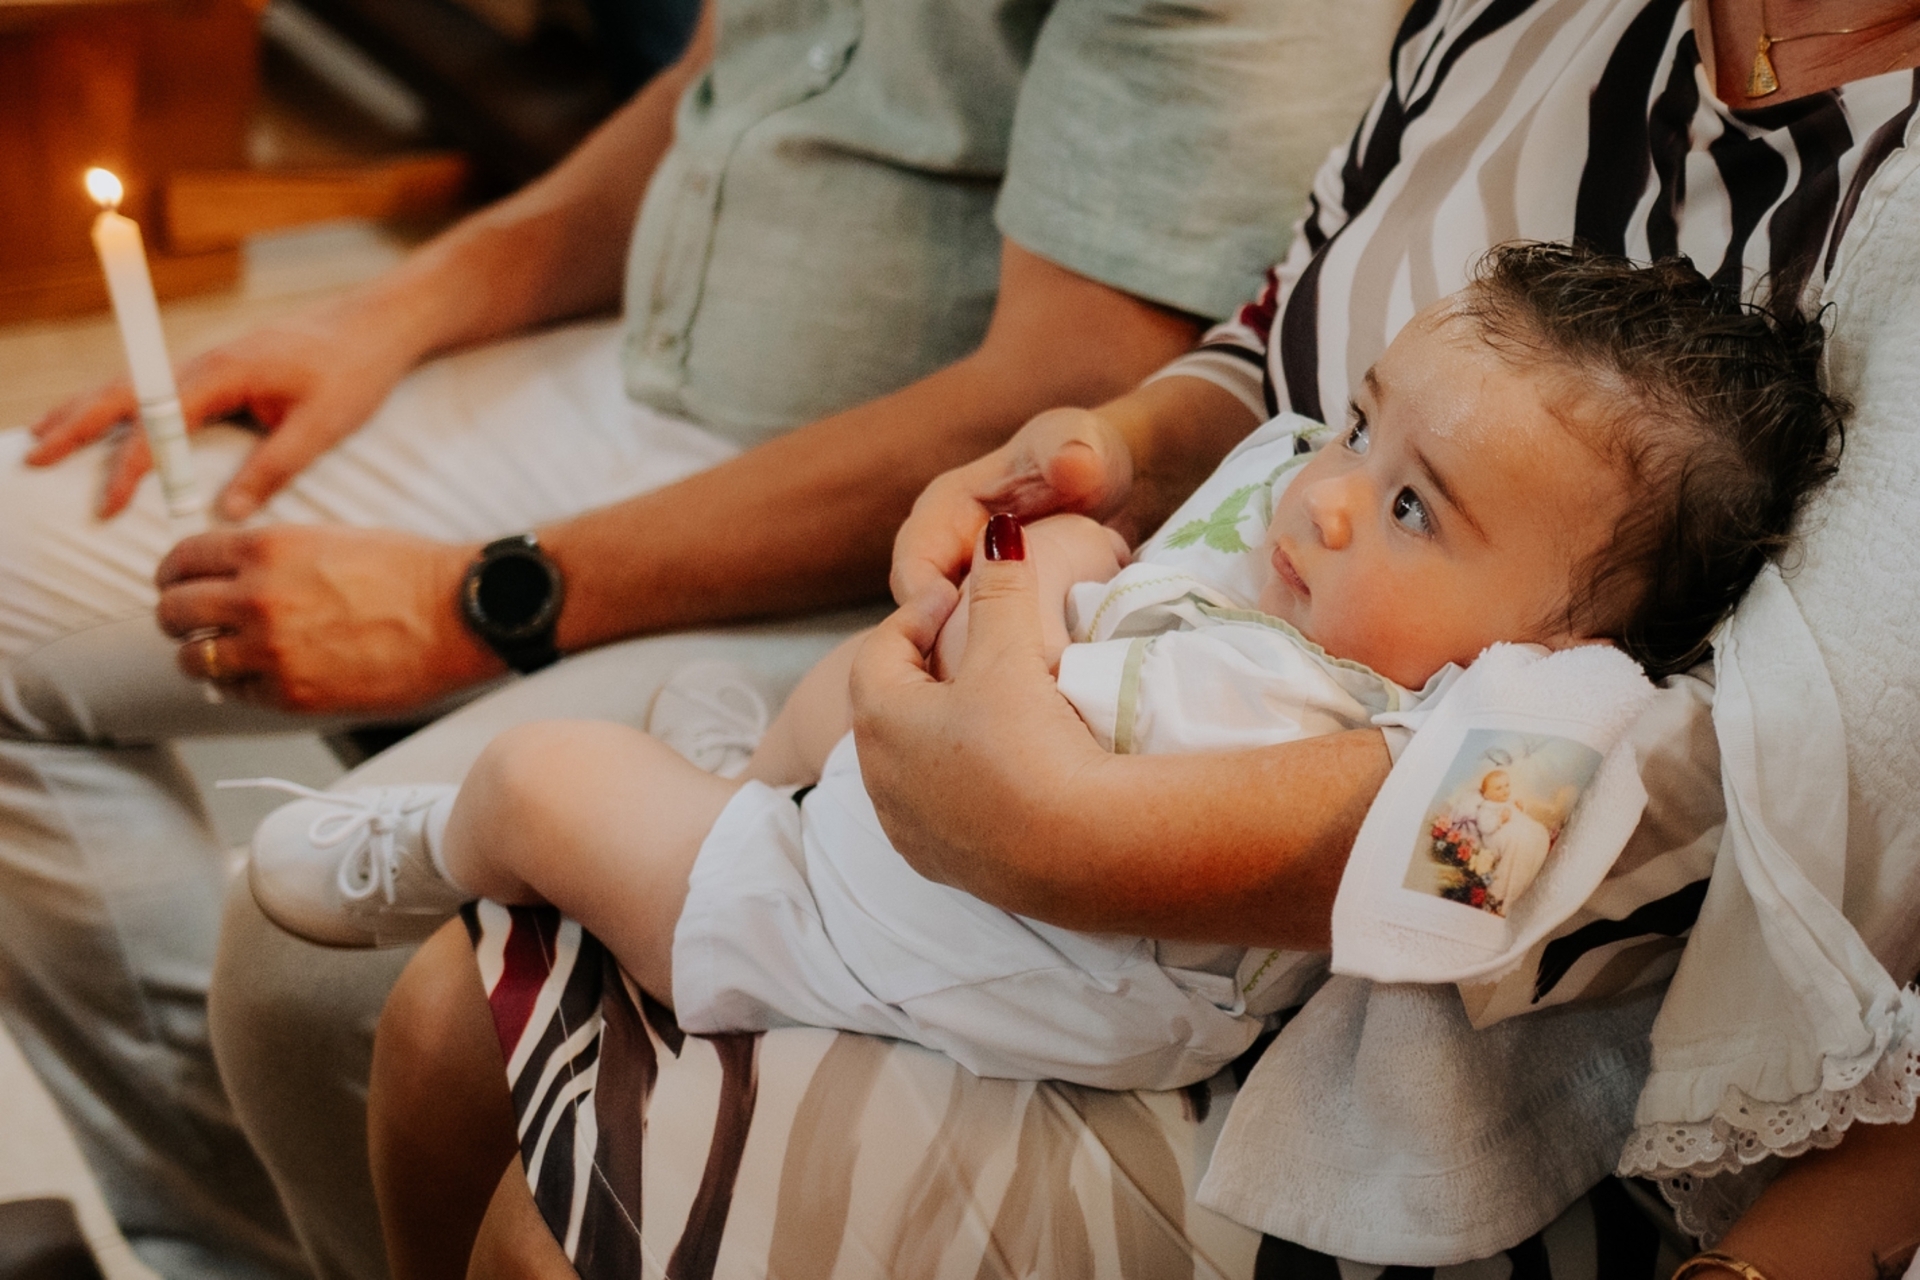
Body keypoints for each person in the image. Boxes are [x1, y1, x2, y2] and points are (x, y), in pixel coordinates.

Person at [351, 0, 1920, 1271]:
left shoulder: (1554, 698)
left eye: (1412, 504)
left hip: (1366, 1048)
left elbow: (1654, 791)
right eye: (1359, 450)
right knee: (439, 1024)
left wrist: (1068, 830)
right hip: (1050, 834)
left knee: (551, 1225)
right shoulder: (1521, 15)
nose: (1330, 499)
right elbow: (1284, 334)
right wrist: (1113, 452)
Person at [1, 0, 1402, 1273]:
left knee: (325, 956)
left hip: (867, 510)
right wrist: (399, 306)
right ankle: (208, 1240)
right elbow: (720, 83)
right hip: (644, 370)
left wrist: (487, 598)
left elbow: (1077, 391)